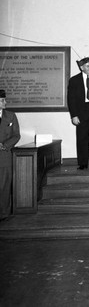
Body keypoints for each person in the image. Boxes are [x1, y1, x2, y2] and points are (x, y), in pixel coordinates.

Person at [0, 90, 20, 221]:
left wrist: (4, 145)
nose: (5, 102)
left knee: (4, 186)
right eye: (2, 100)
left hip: (4, 157)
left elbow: (16, 135)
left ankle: (3, 214)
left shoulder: (11, 116)